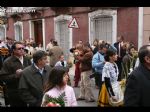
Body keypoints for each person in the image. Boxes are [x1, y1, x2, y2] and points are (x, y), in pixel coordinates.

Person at [0, 41, 31, 106]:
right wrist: (16, 75)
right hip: (15, 92)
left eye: (23, 48)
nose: (22, 50)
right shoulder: (8, 62)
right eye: (19, 49)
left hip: (27, 91)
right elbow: (3, 77)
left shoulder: (27, 59)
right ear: (14, 50)